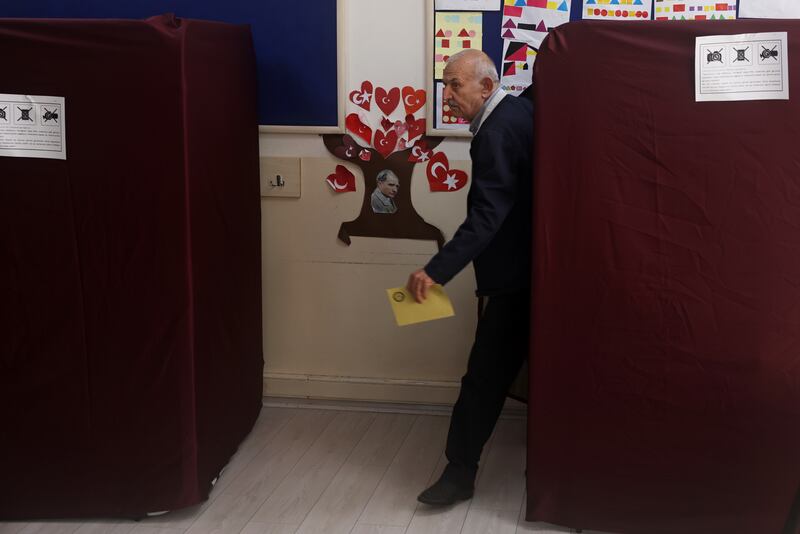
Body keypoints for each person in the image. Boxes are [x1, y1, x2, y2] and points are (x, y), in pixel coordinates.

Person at [406, 49, 534, 506]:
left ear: (486, 86)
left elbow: (486, 217)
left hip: (516, 279)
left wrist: (435, 270)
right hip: (531, 271)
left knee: (483, 377)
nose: (448, 94)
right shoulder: (518, 110)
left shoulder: (497, 134)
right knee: (495, 375)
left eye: (456, 84)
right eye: (445, 83)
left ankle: (460, 473)